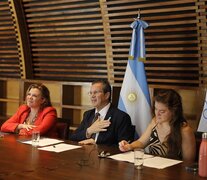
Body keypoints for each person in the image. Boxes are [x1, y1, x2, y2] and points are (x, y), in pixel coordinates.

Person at [119, 89, 196, 163]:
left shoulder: (184, 130)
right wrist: (129, 146)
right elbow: (141, 142)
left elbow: (188, 162)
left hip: (173, 173)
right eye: (156, 109)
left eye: (162, 111)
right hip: (153, 169)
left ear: (174, 111)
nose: (157, 114)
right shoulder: (155, 122)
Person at [69, 79, 134, 145]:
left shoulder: (121, 117)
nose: (92, 96)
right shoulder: (88, 114)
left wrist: (96, 145)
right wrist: (89, 131)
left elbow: (124, 146)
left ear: (107, 95)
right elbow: (73, 137)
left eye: (96, 92)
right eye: (90, 93)